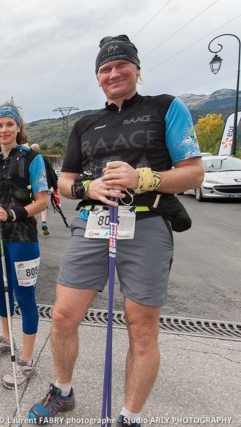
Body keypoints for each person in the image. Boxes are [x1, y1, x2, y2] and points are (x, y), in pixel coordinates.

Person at [28, 35, 204, 427]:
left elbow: (194, 172)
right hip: (92, 222)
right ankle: (63, 390)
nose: (113, 73)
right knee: (62, 316)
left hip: (147, 222)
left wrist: (142, 177)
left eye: (121, 65)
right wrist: (85, 188)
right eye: (105, 68)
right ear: (98, 78)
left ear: (137, 69)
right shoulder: (86, 124)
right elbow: (65, 180)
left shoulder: (165, 107)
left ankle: (129, 415)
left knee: (141, 328)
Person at [0, 103, 48, 389]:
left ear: (18, 126)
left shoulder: (32, 158)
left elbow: (42, 201)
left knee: (24, 297)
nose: (4, 130)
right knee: (1, 290)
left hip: (22, 237)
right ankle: (6, 339)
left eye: (9, 124)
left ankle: (26, 360)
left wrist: (14, 214)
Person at [30, 143, 59, 236]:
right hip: (44, 185)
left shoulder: (29, 160)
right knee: (43, 204)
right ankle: (44, 221)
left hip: (32, 186)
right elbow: (51, 173)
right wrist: (55, 186)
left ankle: (34, 227)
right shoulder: (44, 159)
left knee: (34, 205)